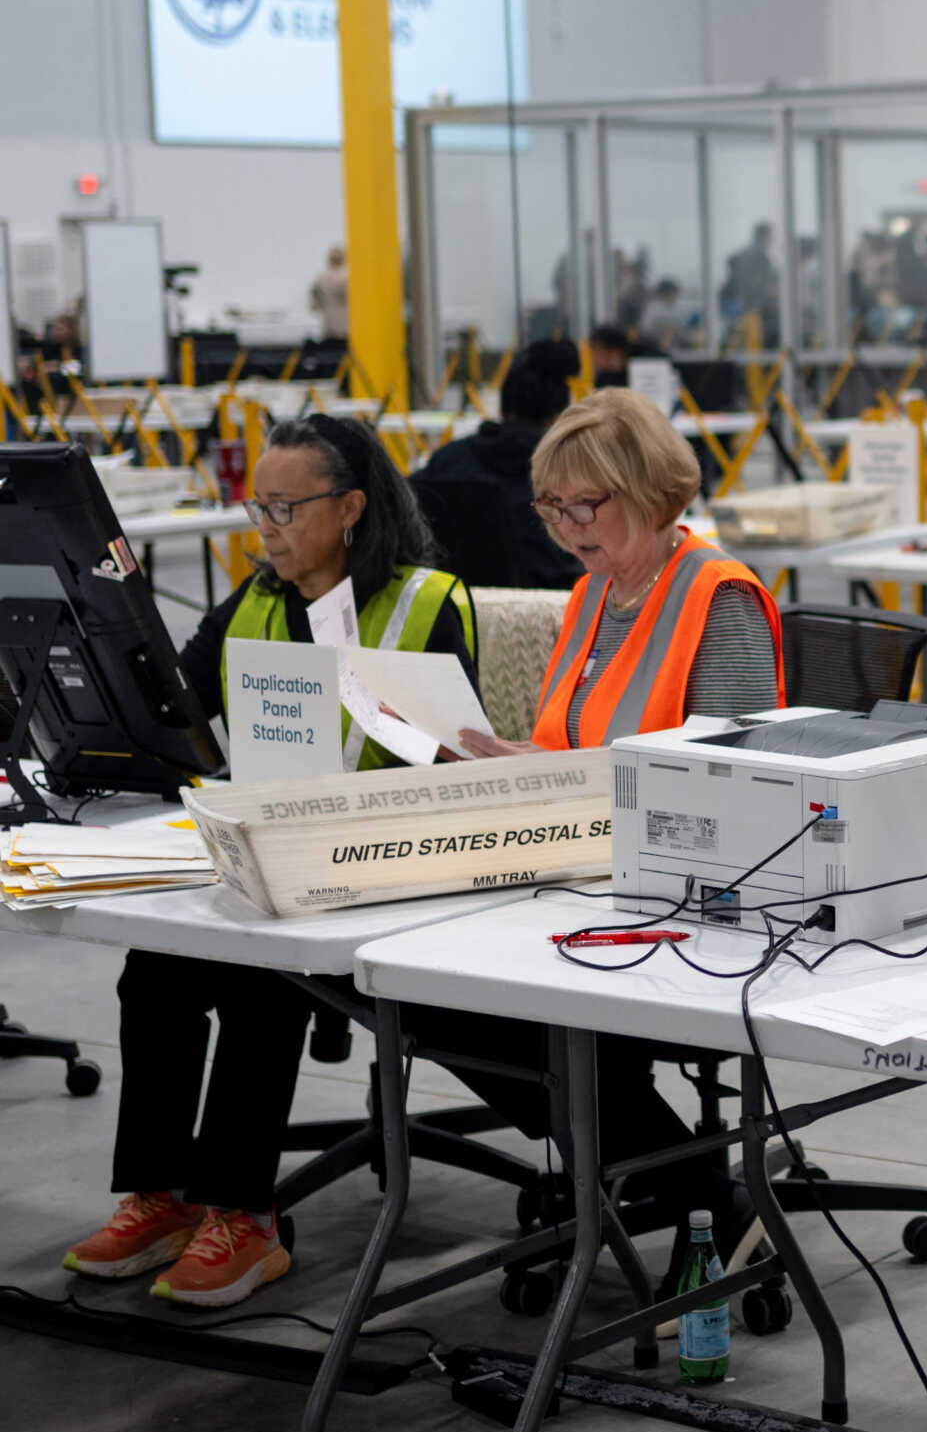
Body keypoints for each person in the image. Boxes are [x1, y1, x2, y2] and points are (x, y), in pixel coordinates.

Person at [64, 415, 476, 1307]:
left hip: (387, 868)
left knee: (258, 977)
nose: (266, 526)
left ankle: (245, 1215)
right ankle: (164, 1195)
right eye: (260, 504)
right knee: (159, 965)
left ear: (352, 508)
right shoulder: (254, 600)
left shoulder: (423, 600)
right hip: (277, 861)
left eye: (285, 506)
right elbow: (175, 701)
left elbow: (449, 764)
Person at [412, 388, 783, 1270]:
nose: (571, 525)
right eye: (554, 506)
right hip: (584, 875)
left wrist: (577, 789)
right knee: (423, 991)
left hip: (688, 899)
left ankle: (694, 1191)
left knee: (499, 1009)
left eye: (591, 503)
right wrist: (513, 763)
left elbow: (736, 792)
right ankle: (678, 1182)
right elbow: (576, 749)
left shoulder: (717, 597)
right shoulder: (592, 596)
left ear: (653, 490)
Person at [416, 338, 586, 588]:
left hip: (455, 606)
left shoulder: (447, 460)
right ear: (558, 416)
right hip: (549, 613)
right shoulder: (568, 472)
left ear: (504, 405)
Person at [721, 222, 782, 342]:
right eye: (770, 236)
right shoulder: (760, 257)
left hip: (741, 310)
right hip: (753, 311)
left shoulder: (743, 254)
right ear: (763, 236)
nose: (772, 240)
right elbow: (766, 286)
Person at [310, 245, 350, 341]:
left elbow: (314, 305)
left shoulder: (320, 279)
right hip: (345, 326)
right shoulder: (348, 278)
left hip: (327, 326)